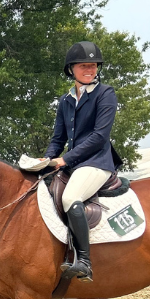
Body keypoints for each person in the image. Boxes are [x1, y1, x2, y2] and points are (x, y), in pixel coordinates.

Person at [43, 41, 123, 282]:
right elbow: (58, 138)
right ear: (71, 70)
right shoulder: (65, 100)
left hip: (97, 162)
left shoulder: (105, 94)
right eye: (83, 66)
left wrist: (64, 159)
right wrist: (47, 159)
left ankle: (85, 261)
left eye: (93, 65)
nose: (89, 69)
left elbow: (100, 137)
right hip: (73, 164)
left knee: (69, 198)